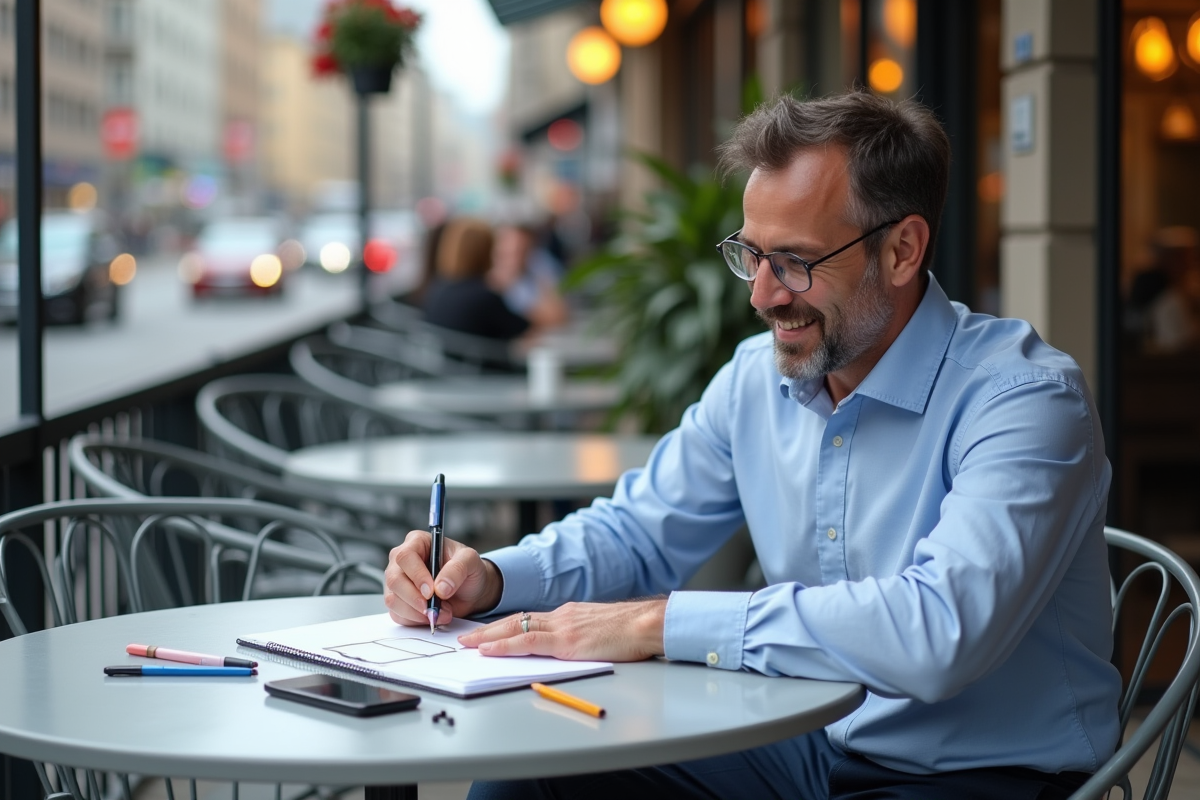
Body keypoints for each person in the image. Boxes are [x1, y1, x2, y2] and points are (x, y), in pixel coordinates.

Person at [384, 91, 1119, 799]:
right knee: (532, 770)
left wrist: (654, 625)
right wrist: (489, 579)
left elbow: (939, 632)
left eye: (795, 261)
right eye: (751, 255)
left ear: (901, 250)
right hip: (811, 742)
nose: (762, 296)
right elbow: (639, 533)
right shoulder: (753, 379)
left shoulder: (1023, 399)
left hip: (986, 775)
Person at [422, 218, 530, 341]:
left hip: (443, 358)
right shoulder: (486, 297)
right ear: (487, 251)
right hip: (481, 359)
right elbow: (522, 328)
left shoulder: (438, 287)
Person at [489, 223, 569, 330]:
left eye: (522, 249)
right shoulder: (490, 278)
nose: (515, 255)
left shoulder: (539, 269)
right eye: (511, 249)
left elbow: (559, 316)